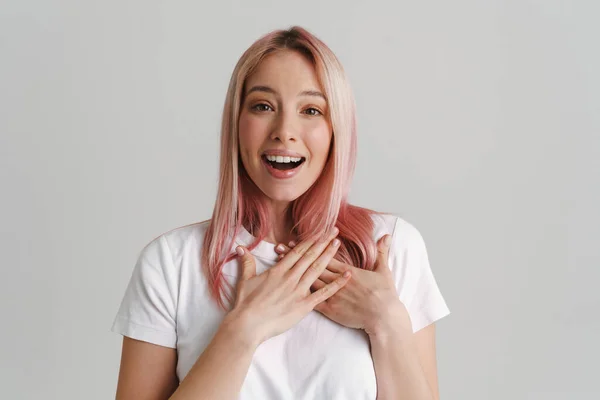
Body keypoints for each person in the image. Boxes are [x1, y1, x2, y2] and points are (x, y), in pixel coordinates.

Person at [111, 26, 450, 400]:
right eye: (263, 106)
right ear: (236, 123)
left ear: (336, 128)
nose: (285, 131)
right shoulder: (170, 264)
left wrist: (387, 323)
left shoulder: (391, 249)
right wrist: (243, 329)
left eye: (311, 110)